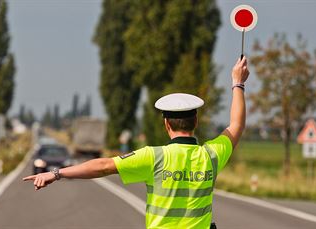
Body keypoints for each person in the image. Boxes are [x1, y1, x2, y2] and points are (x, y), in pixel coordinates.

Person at [23, 57, 249, 229]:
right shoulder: (211, 155)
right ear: (196, 121)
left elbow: (102, 166)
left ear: (166, 124)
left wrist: (57, 174)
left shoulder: (154, 156)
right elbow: (236, 125)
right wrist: (237, 83)